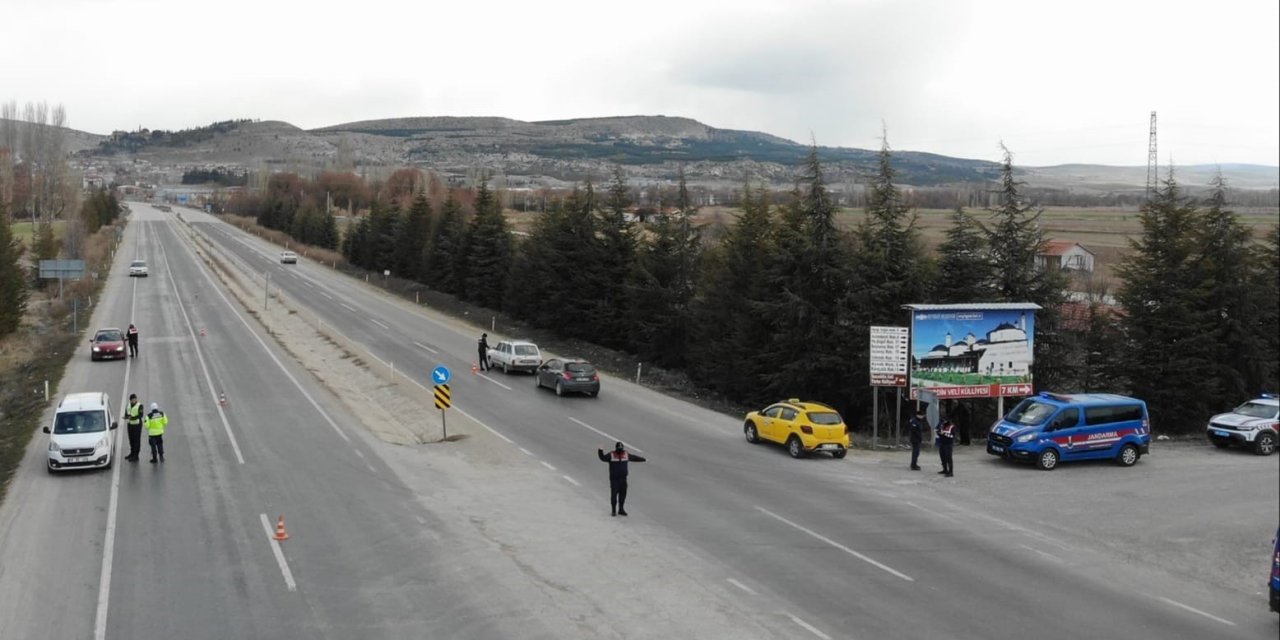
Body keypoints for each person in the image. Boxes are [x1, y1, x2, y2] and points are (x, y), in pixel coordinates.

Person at [597, 441, 647, 516]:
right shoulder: (611, 455)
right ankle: (613, 510)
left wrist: (643, 459)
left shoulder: (626, 454)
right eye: (619, 448)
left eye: (621, 448)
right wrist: (600, 450)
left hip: (623, 479)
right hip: (614, 479)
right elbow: (603, 458)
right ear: (616, 448)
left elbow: (634, 458)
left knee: (622, 495)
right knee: (614, 495)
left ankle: (621, 509)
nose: (620, 450)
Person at [124, 393, 145, 461]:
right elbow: (126, 413)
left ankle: (136, 455)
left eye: (135, 399)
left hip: (137, 425)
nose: (134, 400)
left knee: (136, 440)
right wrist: (126, 417)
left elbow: (141, 415)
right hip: (130, 425)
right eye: (132, 400)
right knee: (131, 440)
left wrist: (132, 418)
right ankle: (132, 453)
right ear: (130, 400)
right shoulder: (128, 405)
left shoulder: (140, 405)